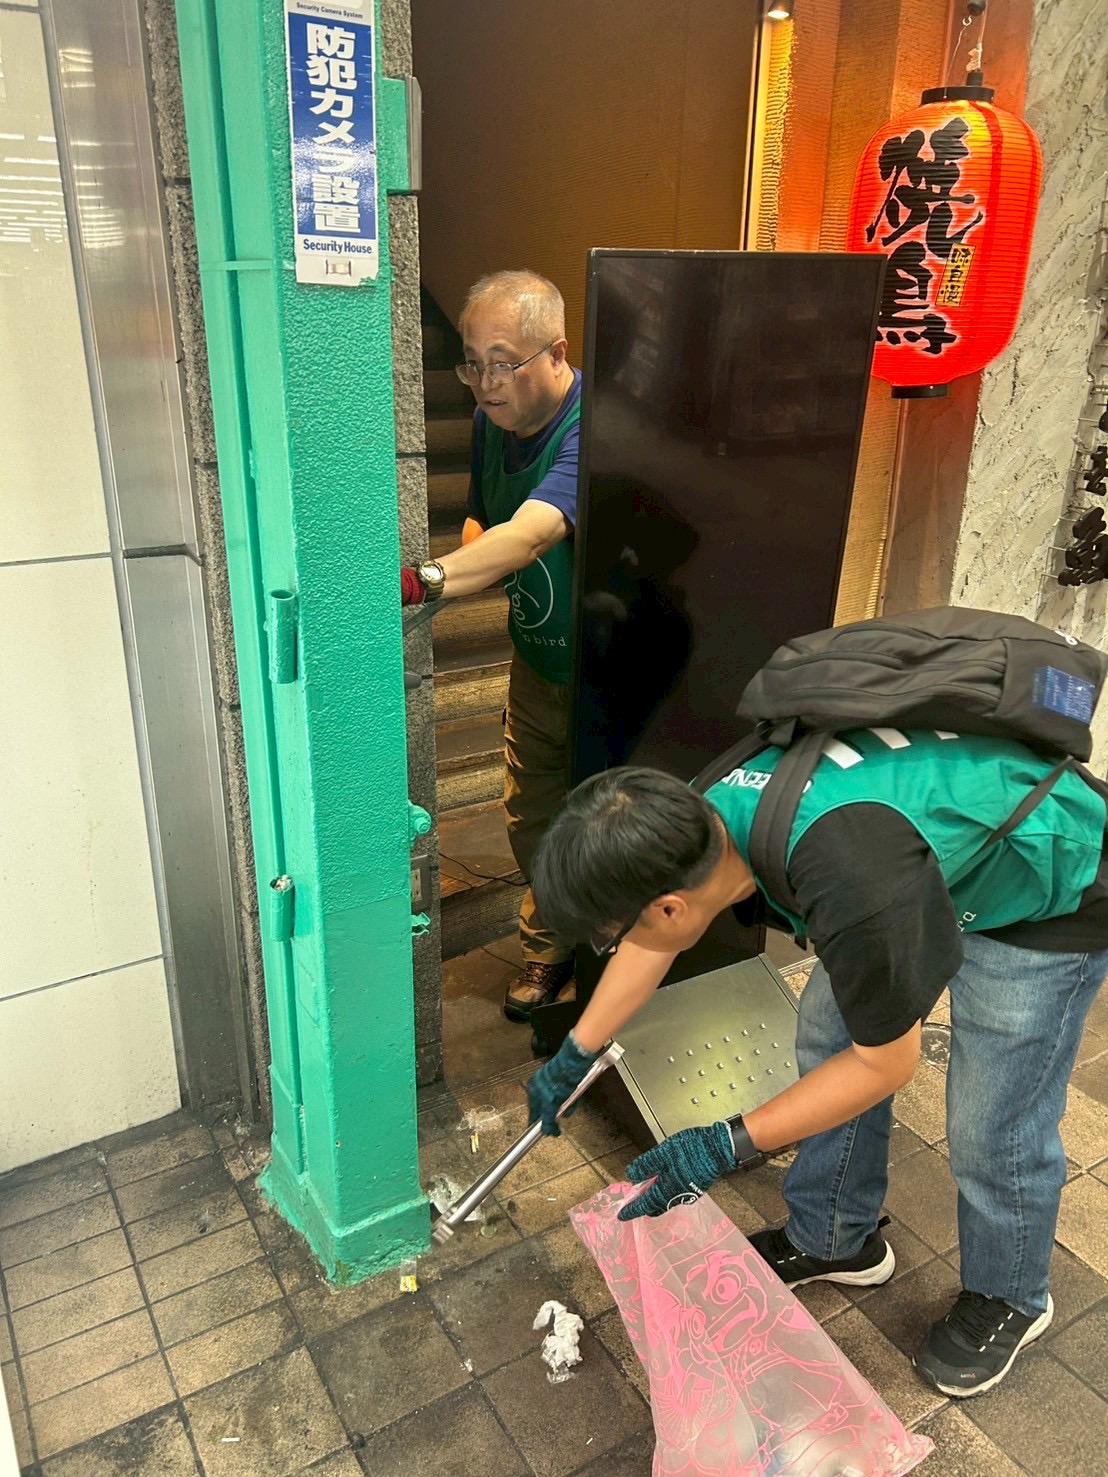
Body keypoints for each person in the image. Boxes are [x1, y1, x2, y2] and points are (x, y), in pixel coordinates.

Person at [524, 730, 1108, 1398]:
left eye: (609, 934)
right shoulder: (686, 822)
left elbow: (885, 1065)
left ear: (668, 907)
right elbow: (651, 939)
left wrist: (725, 1143)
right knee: (828, 1039)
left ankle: (1011, 1294)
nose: (615, 945)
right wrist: (579, 1049)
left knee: (991, 1121)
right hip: (912, 863)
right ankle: (835, 1239)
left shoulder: (846, 872)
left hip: (1041, 886)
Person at [401, 270, 581, 1021]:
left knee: (604, 819)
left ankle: (614, 958)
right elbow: (485, 521)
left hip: (608, 670)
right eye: (471, 363)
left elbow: (532, 532)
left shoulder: (594, 427)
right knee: (531, 813)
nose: (484, 383)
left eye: (502, 363)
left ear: (556, 352)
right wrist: (471, 565)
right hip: (538, 658)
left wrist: (426, 582)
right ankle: (550, 948)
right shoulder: (488, 422)